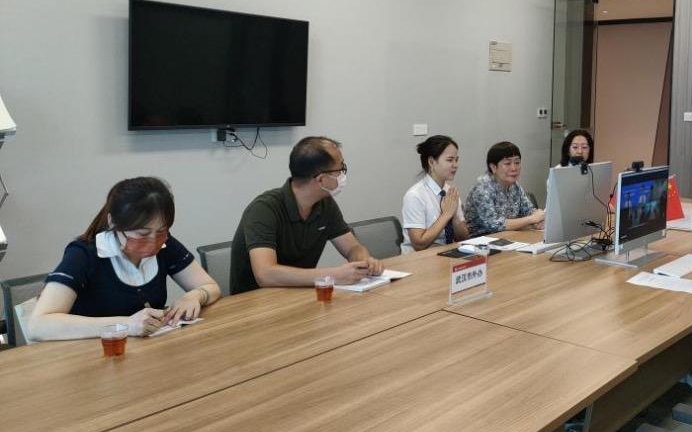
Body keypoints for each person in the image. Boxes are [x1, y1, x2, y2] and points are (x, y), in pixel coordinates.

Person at [29, 177, 221, 340]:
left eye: (161, 231)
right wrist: (127, 325)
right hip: (90, 356)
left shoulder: (165, 245)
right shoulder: (84, 254)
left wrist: (194, 296)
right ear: (113, 222)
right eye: (142, 234)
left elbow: (210, 286)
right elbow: (38, 325)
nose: (153, 241)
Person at [230, 136, 383, 294]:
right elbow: (266, 275)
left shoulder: (325, 204)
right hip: (255, 302)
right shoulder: (264, 209)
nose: (342, 175)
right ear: (321, 179)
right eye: (340, 169)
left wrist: (363, 262)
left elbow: (352, 247)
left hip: (300, 295)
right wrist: (334, 275)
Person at [401, 135, 470, 252]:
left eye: (456, 160)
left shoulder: (450, 192)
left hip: (447, 253)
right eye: (450, 160)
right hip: (419, 258)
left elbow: (463, 238)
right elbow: (419, 244)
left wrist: (455, 217)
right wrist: (446, 215)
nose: (455, 165)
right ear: (432, 162)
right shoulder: (415, 195)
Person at [464, 141, 545, 236]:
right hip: (481, 240)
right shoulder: (482, 187)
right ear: (493, 167)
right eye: (507, 163)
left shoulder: (515, 186)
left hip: (508, 236)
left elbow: (529, 211)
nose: (514, 168)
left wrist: (539, 218)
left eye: (517, 163)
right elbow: (494, 224)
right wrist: (531, 219)